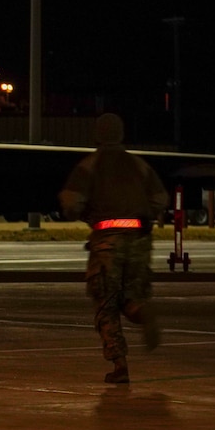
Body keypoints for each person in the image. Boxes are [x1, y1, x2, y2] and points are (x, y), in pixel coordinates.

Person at [58, 113, 166, 384]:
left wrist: (81, 212)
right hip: (140, 238)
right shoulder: (139, 165)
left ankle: (120, 365)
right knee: (132, 297)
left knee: (106, 303)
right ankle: (143, 312)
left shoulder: (90, 166)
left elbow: (72, 204)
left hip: (108, 240)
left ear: (97, 135)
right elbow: (160, 199)